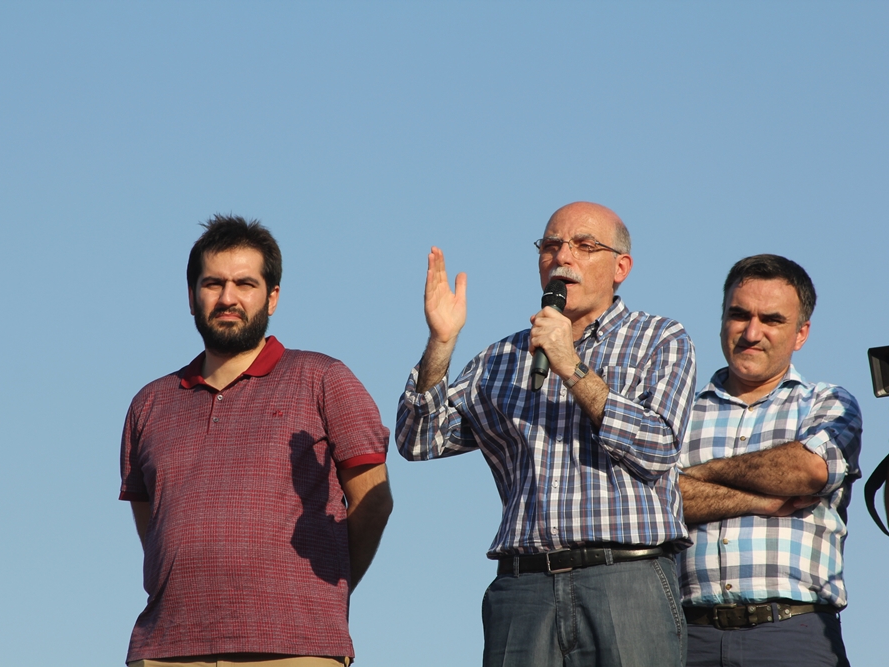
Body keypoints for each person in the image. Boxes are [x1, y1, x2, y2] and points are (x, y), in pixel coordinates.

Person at [396, 202, 697, 667]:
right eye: (551, 245)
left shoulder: (660, 338)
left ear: (621, 267)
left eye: (584, 245)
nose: (563, 258)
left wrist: (571, 365)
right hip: (524, 588)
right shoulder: (502, 357)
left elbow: (657, 449)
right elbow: (419, 440)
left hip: (625, 581)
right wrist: (441, 343)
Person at [119, 215, 393, 667]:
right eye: (213, 284)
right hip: (167, 649)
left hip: (295, 646)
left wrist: (326, 588)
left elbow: (374, 502)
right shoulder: (149, 404)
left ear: (273, 296)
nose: (228, 298)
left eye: (245, 283)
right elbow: (153, 529)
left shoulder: (324, 379)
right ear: (191, 297)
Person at [678, 254, 862, 667]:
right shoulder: (677, 413)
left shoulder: (827, 402)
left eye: (772, 320)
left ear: (801, 333)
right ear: (722, 318)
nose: (751, 332)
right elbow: (655, 502)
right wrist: (760, 499)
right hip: (686, 636)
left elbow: (809, 470)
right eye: (739, 314)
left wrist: (697, 476)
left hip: (792, 633)